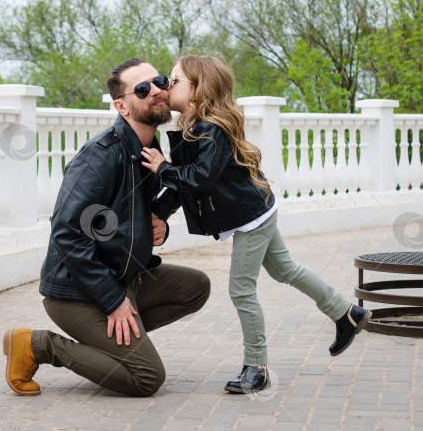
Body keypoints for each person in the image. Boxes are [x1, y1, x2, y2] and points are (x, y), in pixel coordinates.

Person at [142, 55, 371, 395]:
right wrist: (159, 211)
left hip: (250, 218)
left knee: (241, 289)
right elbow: (185, 185)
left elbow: (200, 178)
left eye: (173, 80)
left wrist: (162, 168)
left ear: (196, 91)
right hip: (256, 210)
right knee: (286, 270)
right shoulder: (192, 128)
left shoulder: (212, 129)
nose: (165, 85)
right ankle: (345, 313)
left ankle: (257, 367)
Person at [3, 58, 211, 398]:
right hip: (78, 293)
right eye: (143, 89)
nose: (158, 91)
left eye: (159, 81)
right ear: (122, 106)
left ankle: (115, 342)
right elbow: (67, 232)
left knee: (196, 286)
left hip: (125, 276)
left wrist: (159, 221)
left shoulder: (148, 148)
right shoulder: (100, 157)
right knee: (146, 378)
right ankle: (39, 345)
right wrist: (113, 301)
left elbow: (133, 211)